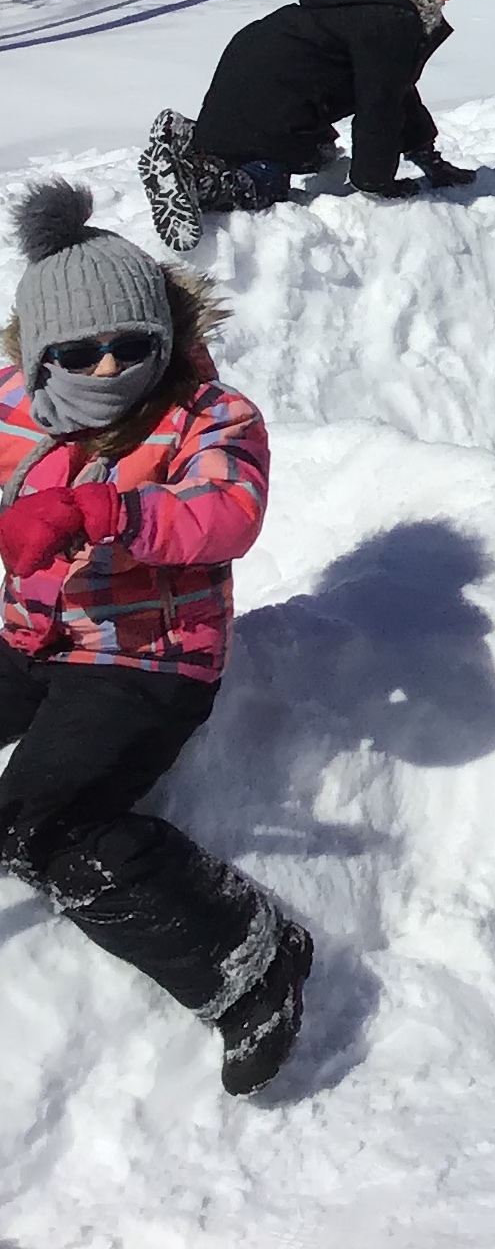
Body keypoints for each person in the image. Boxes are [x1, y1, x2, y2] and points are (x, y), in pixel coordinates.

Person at [0, 180, 311, 1095]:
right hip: (30, 637)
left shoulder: (209, 415)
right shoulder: (12, 405)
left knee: (40, 825)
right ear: (40, 352)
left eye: (131, 346)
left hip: (146, 660)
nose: (107, 368)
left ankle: (250, 958)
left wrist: (105, 511)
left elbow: (225, 512)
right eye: (79, 352)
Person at [140, 0, 477, 251]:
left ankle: (189, 142)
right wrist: (376, 183)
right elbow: (381, 105)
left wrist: (427, 156)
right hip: (276, 100)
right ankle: (200, 182)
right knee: (267, 180)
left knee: (283, 150)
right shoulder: (391, 18)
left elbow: (397, 88)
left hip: (251, 74)